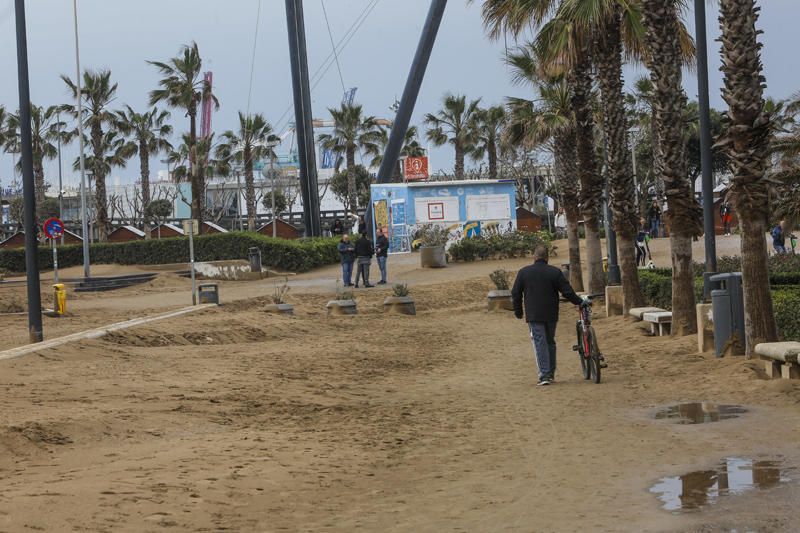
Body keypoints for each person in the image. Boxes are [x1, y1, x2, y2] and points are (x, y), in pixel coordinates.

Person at [512, 245, 589, 386]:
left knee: (540, 342)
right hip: (551, 313)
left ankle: (545, 375)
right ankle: (550, 372)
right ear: (547, 257)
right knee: (550, 341)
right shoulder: (554, 272)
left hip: (534, 314)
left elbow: (515, 293)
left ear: (534, 257)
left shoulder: (524, 272)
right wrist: (579, 302)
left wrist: (518, 312)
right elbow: (567, 292)